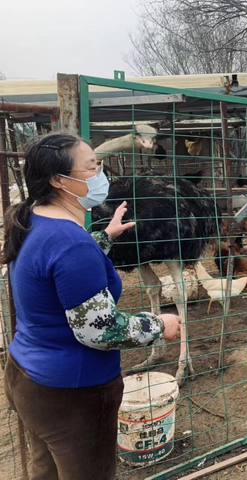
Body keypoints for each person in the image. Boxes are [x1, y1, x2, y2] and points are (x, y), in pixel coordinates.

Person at [1, 133, 182, 480]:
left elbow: (55, 273)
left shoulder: (36, 220)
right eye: (92, 167)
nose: (101, 174)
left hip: (28, 377)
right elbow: (99, 330)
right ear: (58, 180)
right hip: (72, 395)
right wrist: (159, 325)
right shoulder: (71, 243)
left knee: (47, 473)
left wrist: (103, 238)